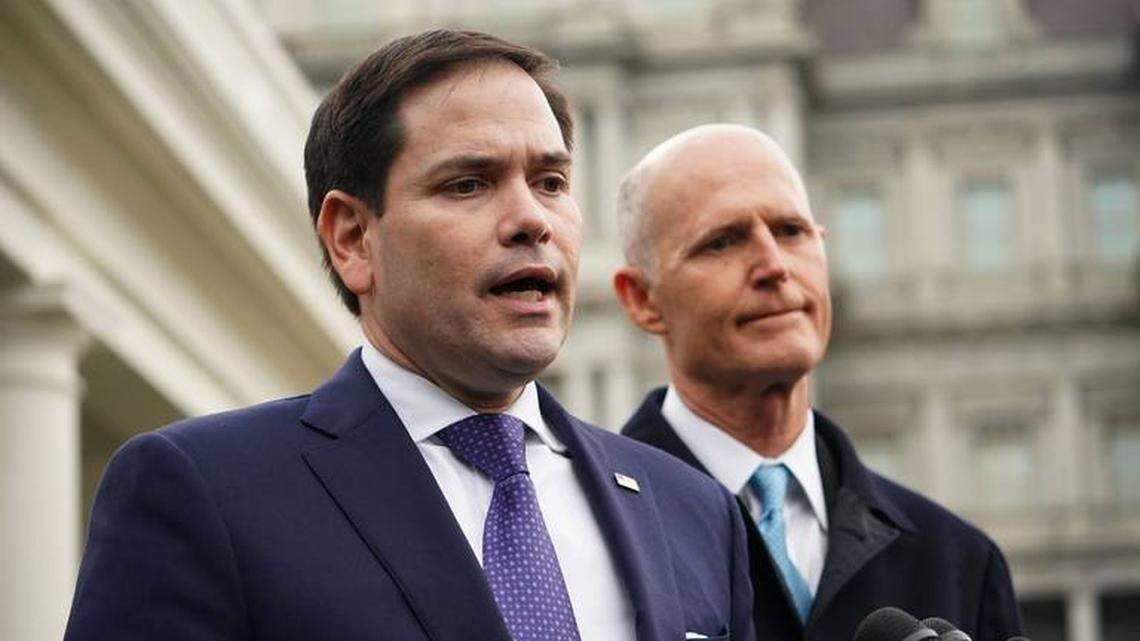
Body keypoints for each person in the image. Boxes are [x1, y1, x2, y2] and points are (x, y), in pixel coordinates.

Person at [65, 31, 754, 641]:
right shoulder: (204, 490)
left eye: (550, 180)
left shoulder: (694, 511)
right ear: (352, 238)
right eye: (467, 184)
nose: (531, 220)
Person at [612, 124, 1023, 641]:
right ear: (641, 299)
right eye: (722, 242)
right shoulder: (585, 538)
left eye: (791, 231)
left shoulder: (958, 561)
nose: (774, 266)